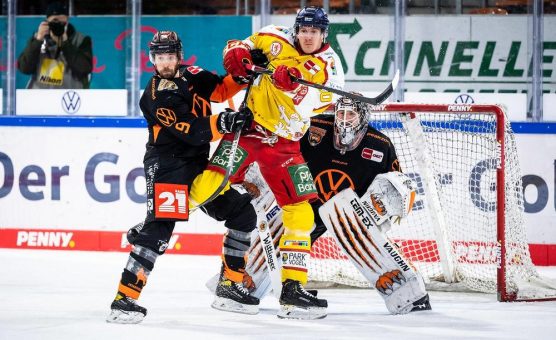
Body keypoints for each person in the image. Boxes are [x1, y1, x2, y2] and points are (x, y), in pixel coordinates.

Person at [227, 94, 431, 314]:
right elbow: (279, 149)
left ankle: (409, 295)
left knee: (342, 212)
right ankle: (244, 287)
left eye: (350, 114)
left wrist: (381, 211)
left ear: (363, 116)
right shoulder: (316, 126)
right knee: (283, 227)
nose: (343, 119)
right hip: (307, 203)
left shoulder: (380, 145)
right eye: (340, 113)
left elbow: (396, 186)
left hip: (349, 212)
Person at [106, 30, 258, 324]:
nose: (164, 63)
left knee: (242, 214)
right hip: (168, 166)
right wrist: (224, 121)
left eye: (169, 56)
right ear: (153, 59)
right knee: (160, 231)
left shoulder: (193, 74)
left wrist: (244, 72)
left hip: (197, 164)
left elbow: (221, 90)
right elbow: (189, 129)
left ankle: (229, 285)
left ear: (179, 56)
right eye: (159, 57)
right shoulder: (155, 95)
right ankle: (124, 299)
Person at [203, 6, 345, 319]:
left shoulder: (329, 65)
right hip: (248, 130)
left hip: (285, 144)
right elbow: (238, 47)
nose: (308, 36)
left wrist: (294, 86)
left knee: (301, 213)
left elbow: (321, 101)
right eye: (304, 30)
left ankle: (292, 289)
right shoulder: (271, 35)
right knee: (207, 186)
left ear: (324, 34)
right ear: (297, 29)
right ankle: (157, 221)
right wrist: (237, 53)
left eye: (315, 32)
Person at [17, 1, 93, 89]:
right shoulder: (38, 38)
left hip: (68, 98)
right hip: (40, 98)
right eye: (55, 21)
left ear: (67, 22)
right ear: (46, 22)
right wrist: (38, 41)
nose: (58, 25)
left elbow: (84, 69)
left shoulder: (81, 40)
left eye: (62, 23)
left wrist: (65, 43)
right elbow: (24, 68)